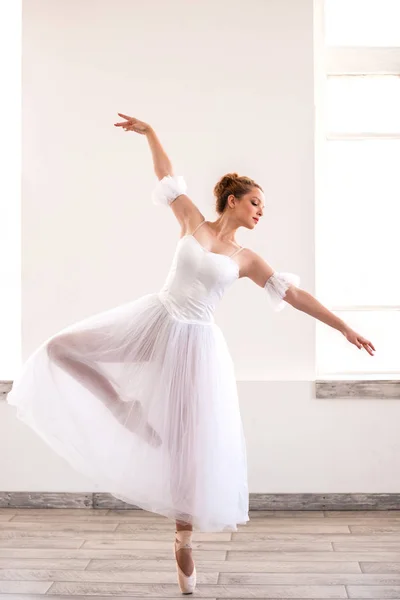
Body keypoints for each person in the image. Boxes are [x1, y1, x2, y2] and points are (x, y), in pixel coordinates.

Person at [7, 113, 376, 595]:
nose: (260, 212)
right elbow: (165, 175)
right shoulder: (192, 220)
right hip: (156, 320)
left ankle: (182, 536)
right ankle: (124, 407)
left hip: (197, 344)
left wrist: (344, 327)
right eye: (255, 203)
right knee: (61, 350)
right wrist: (150, 134)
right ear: (232, 200)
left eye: (262, 206)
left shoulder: (247, 259)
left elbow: (294, 297)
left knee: (188, 439)